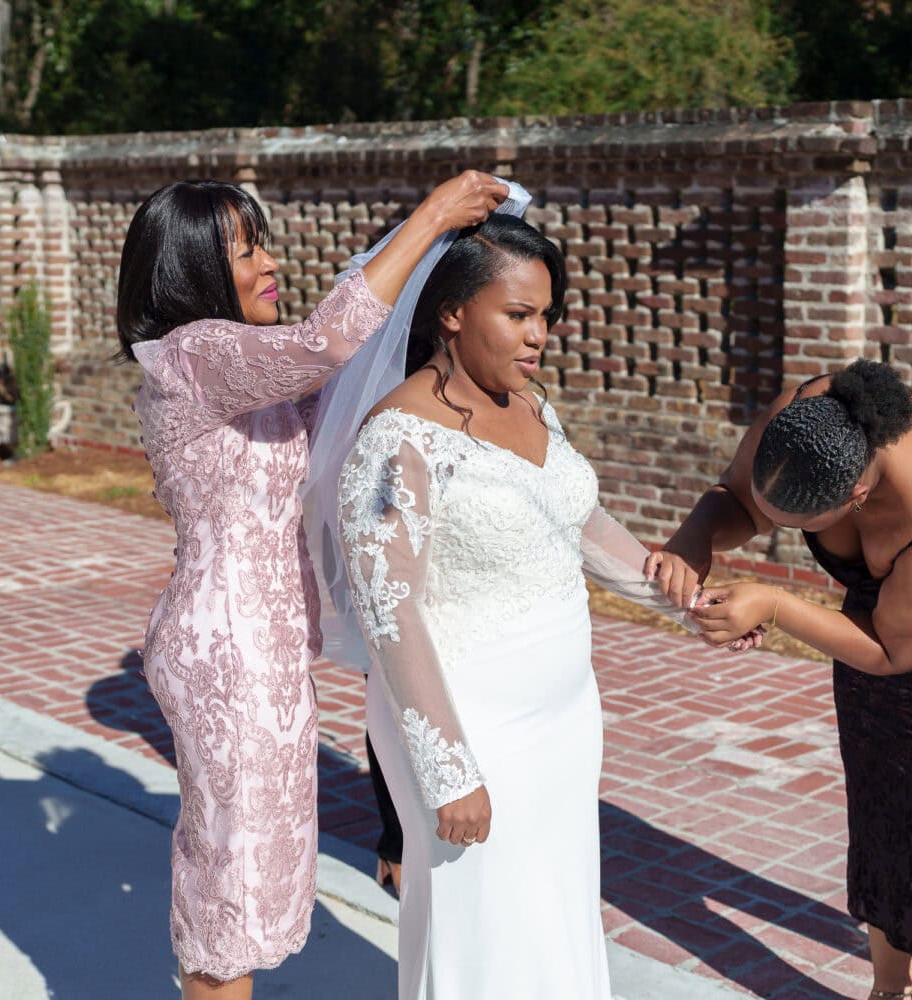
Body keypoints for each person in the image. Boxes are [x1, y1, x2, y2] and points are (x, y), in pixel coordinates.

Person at [335, 213, 753, 999]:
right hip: (470, 727)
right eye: (519, 314)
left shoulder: (531, 406)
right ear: (453, 312)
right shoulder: (396, 443)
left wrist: (689, 604)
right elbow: (390, 617)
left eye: (547, 316)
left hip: (564, 718)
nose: (539, 336)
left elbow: (580, 524)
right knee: (485, 931)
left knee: (551, 916)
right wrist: (445, 770)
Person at [116, 171, 507, 1000]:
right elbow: (327, 342)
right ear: (191, 271)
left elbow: (351, 357)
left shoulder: (245, 369)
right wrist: (433, 212)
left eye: (261, 243)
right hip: (225, 653)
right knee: (228, 882)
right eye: (245, 250)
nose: (269, 263)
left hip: (266, 651)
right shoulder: (190, 354)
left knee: (257, 872)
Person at [649, 360, 912, 1000]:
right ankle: (886, 986)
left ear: (854, 498)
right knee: (877, 770)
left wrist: (775, 606)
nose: (778, 534)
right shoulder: (808, 423)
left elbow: (889, 650)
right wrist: (696, 535)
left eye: (798, 529)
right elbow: (739, 498)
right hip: (898, 600)